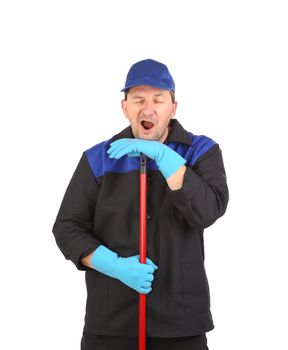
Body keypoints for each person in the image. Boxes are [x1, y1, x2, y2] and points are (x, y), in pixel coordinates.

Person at [52, 58, 229, 350]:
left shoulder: (201, 151)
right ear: (125, 108)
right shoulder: (98, 158)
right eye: (138, 100)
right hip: (110, 325)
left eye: (158, 99)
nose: (148, 108)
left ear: (173, 107)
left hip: (181, 325)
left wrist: (167, 159)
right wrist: (115, 265)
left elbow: (208, 210)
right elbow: (68, 227)